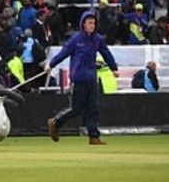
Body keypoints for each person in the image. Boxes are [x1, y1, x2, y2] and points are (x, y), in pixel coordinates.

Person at [46, 11, 119, 145]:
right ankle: (55, 122)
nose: (92, 25)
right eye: (90, 22)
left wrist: (114, 68)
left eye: (94, 23)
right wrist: (51, 64)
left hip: (92, 79)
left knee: (93, 109)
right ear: (83, 24)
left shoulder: (98, 39)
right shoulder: (76, 39)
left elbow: (106, 53)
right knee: (76, 109)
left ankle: (93, 136)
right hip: (78, 79)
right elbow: (64, 53)